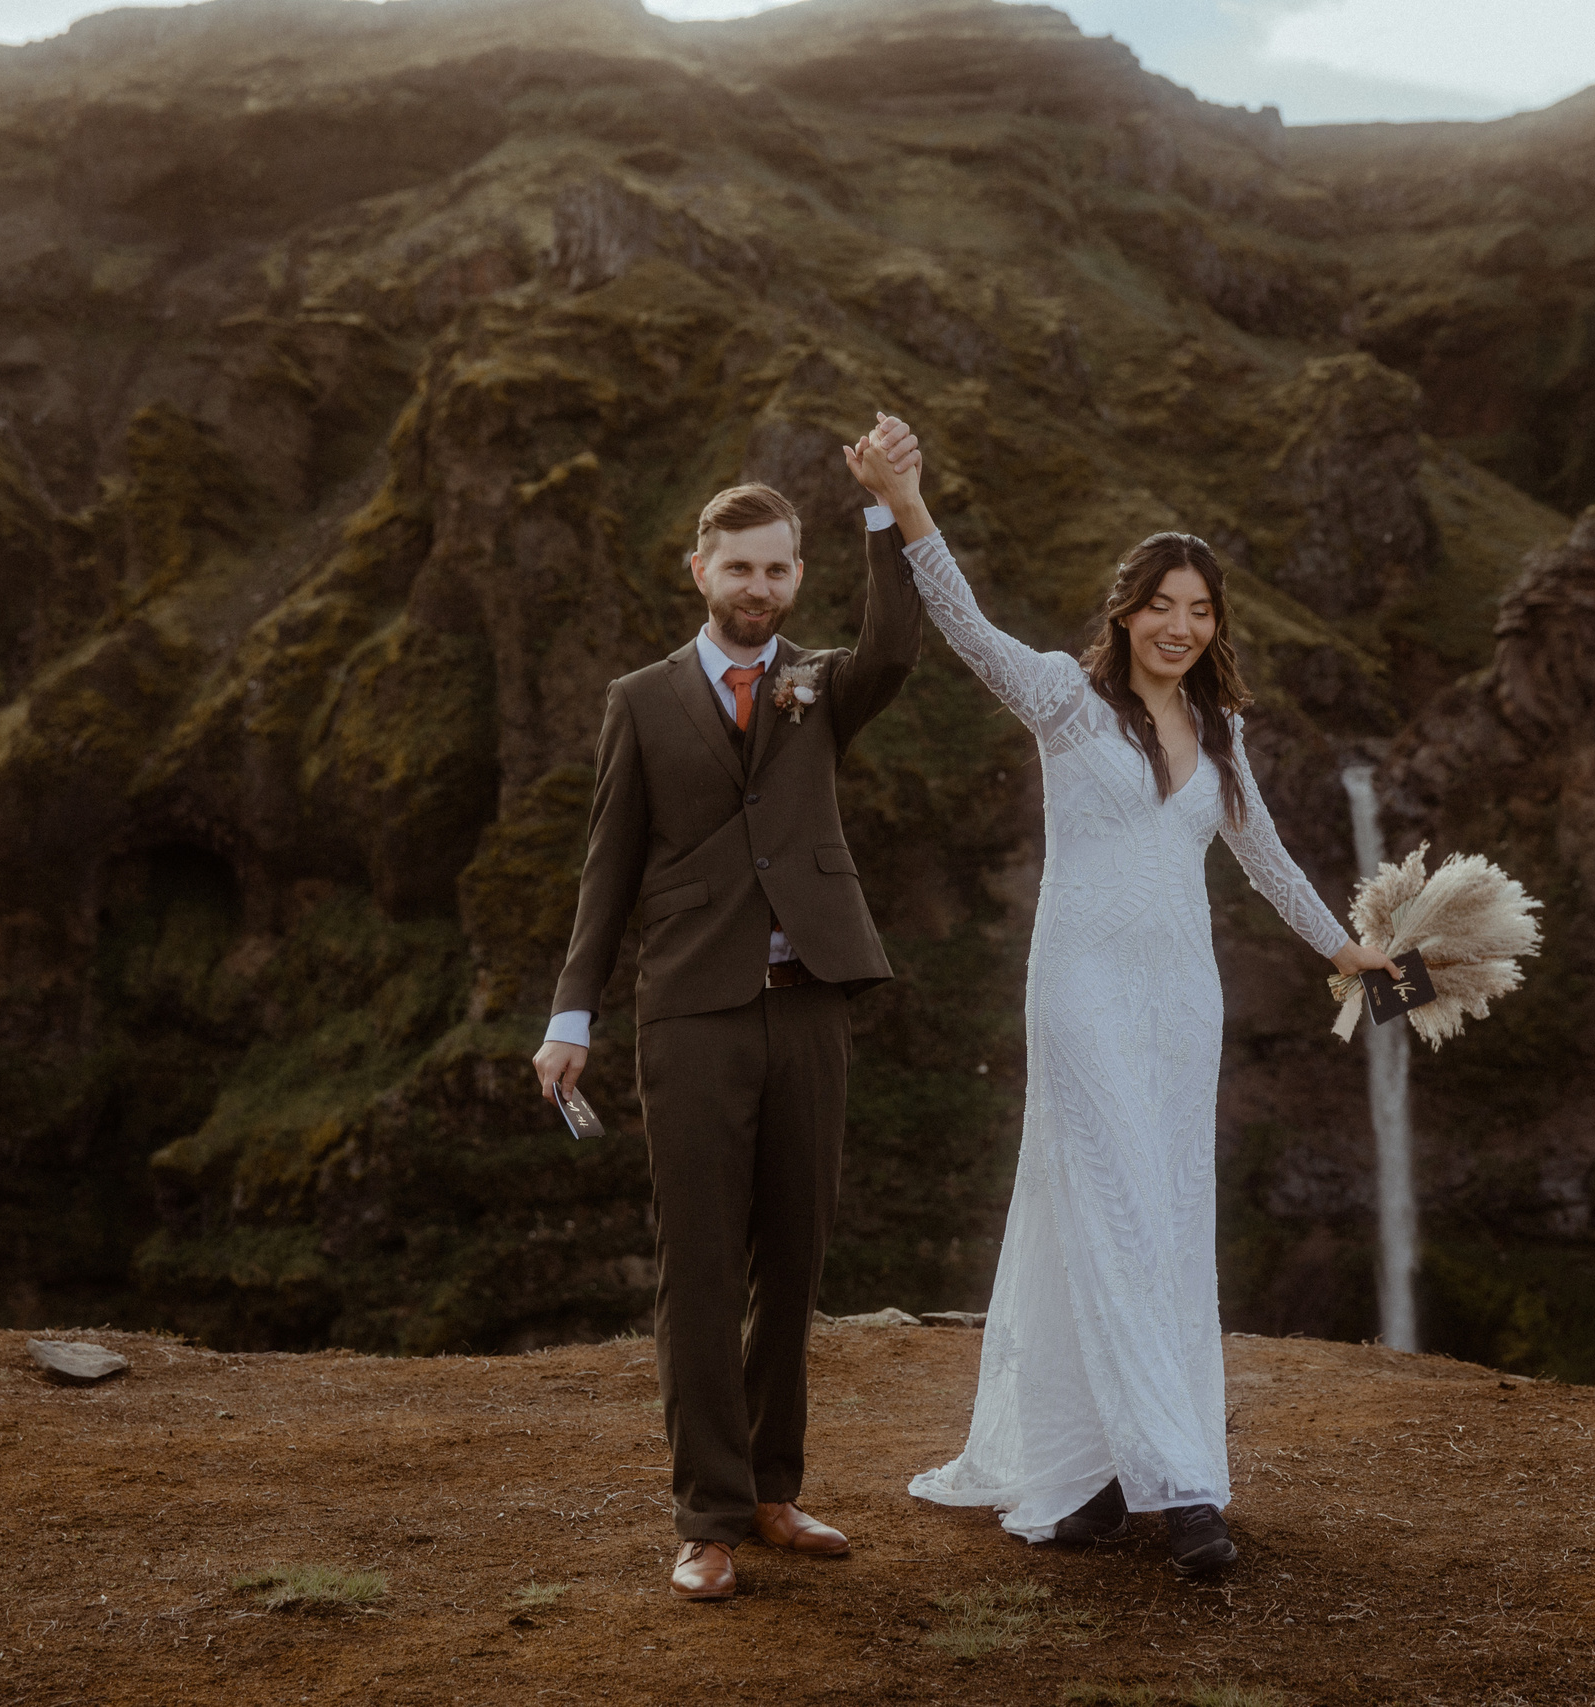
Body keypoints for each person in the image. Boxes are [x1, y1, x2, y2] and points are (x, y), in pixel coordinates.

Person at [842, 429, 1394, 1573]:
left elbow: (1272, 864)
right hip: (1082, 994)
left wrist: (1348, 952)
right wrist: (902, 501)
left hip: (1179, 1009)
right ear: (1126, 611)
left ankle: (1089, 1476)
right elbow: (962, 623)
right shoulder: (1062, 700)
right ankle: (1184, 1490)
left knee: (1159, 1225)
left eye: (1198, 608)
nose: (1179, 625)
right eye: (1160, 604)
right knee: (1119, 1215)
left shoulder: (1225, 735)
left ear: (1213, 624)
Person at [530, 418, 924, 1603]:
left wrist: (887, 508)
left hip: (810, 1007)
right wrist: (572, 1017)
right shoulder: (639, 703)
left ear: (800, 576)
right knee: (701, 1265)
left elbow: (898, 645)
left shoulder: (821, 685)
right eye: (738, 566)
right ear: (699, 571)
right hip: (690, 1012)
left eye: (778, 568)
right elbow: (608, 868)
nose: (759, 586)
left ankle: (772, 1490)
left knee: (792, 1260)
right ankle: (705, 1517)